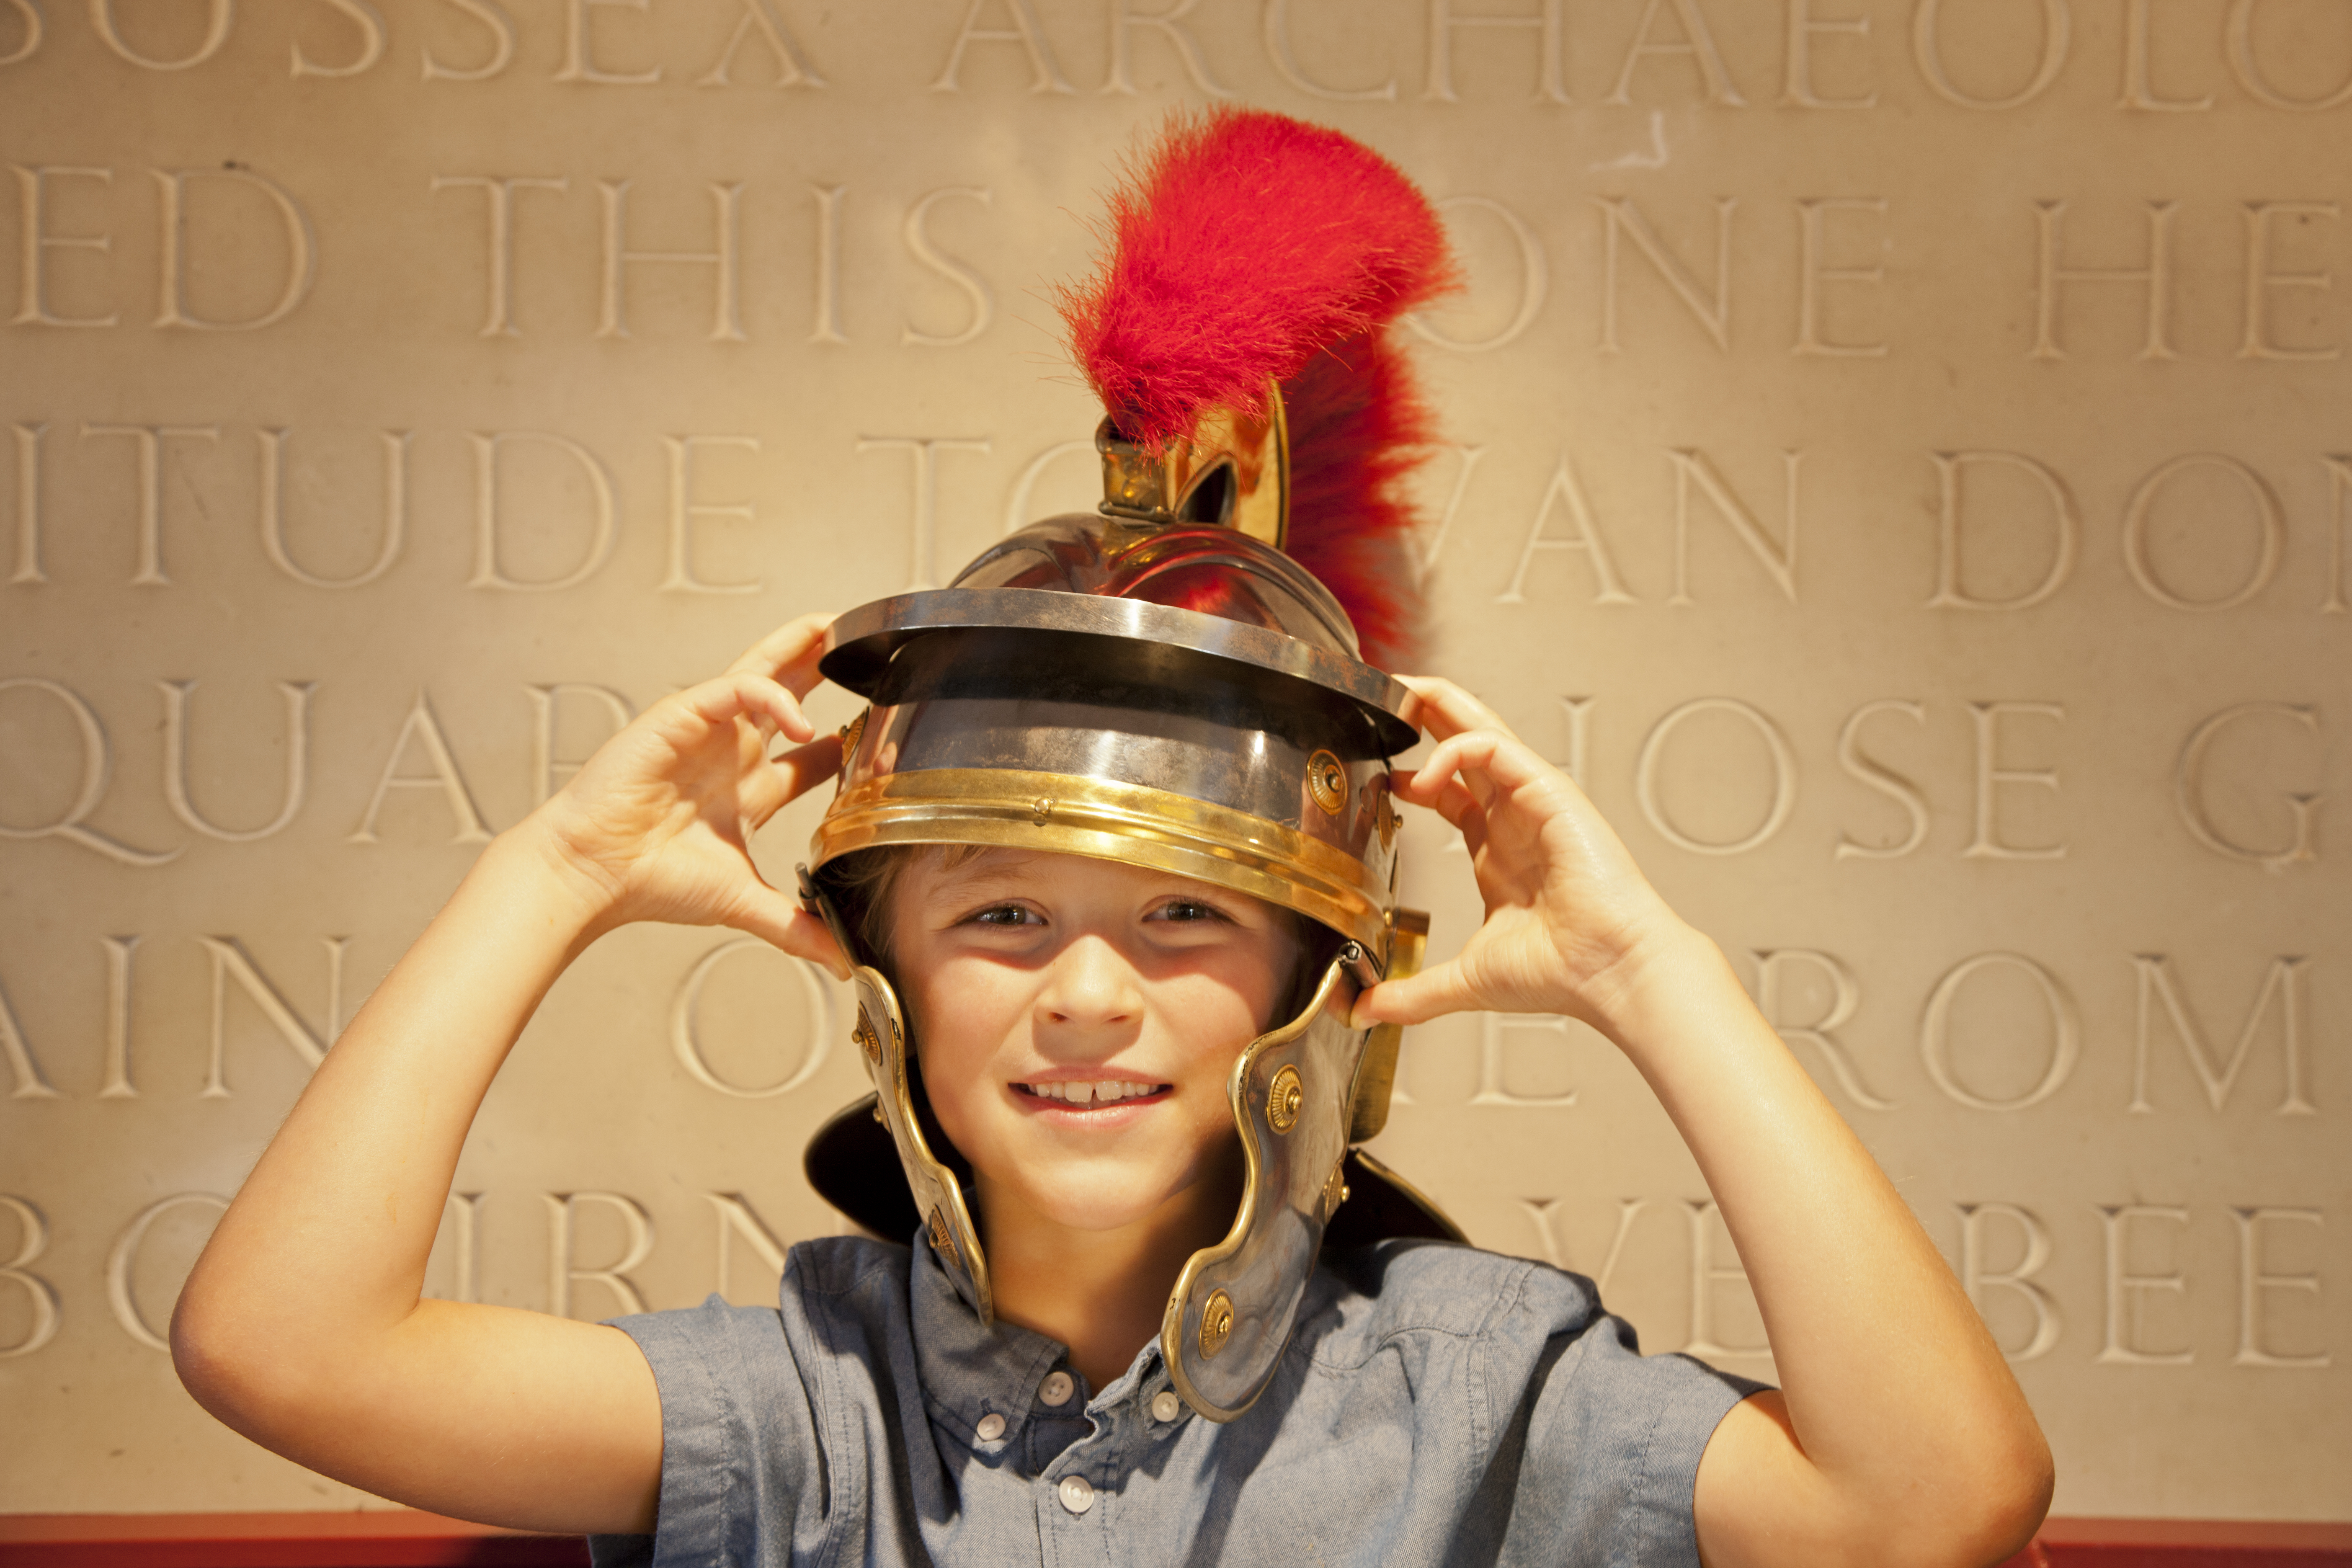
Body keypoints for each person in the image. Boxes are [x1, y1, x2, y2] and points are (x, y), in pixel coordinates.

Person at [172, 109, 2053, 1567]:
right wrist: (557, 876)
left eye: (1179, 915)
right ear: (886, 987)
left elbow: (1938, 1506)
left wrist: (1651, 974)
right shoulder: (804, 1403)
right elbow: (286, 1347)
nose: (1088, 994)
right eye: (999, 912)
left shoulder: (1485, 1386)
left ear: (1323, 988)